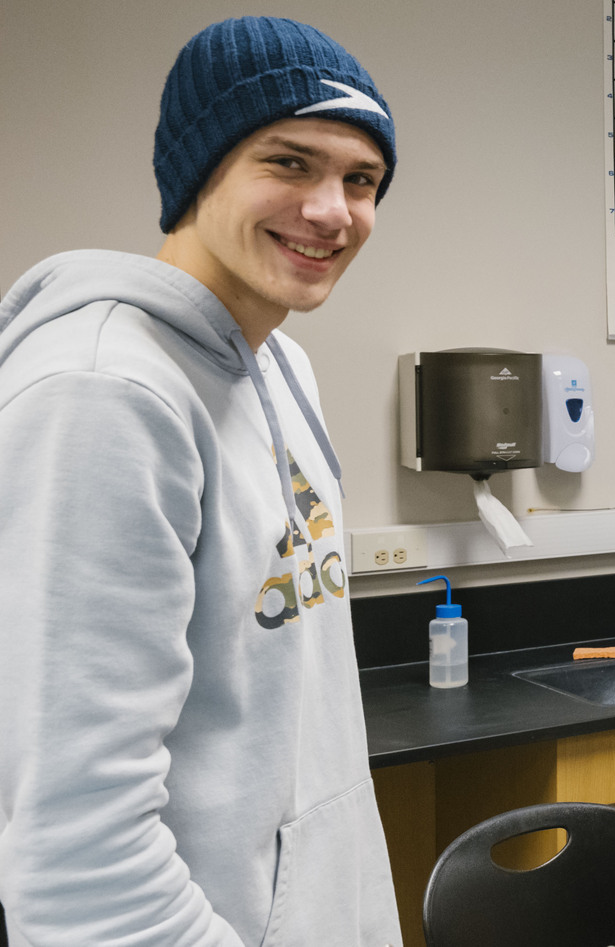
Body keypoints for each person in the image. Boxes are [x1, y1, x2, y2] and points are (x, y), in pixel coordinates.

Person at [0, 17, 402, 945]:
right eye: (290, 162)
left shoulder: (282, 368)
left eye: (361, 179)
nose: (333, 210)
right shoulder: (102, 395)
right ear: (197, 172)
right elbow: (80, 857)